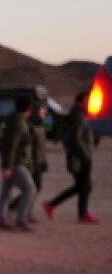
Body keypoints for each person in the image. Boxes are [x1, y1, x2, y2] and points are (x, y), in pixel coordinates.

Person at [45, 92, 99, 223]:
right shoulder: (77, 116)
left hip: (84, 155)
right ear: (80, 101)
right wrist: (85, 154)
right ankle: (82, 214)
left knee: (83, 186)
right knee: (84, 186)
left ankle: (52, 205)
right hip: (79, 157)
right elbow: (75, 138)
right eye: (88, 100)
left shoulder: (83, 115)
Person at [0, 95, 36, 231]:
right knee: (29, 189)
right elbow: (11, 145)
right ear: (29, 109)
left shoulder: (13, 120)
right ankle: (21, 220)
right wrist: (7, 166)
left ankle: (1, 219)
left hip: (11, 162)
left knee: (6, 190)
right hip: (16, 163)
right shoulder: (18, 123)